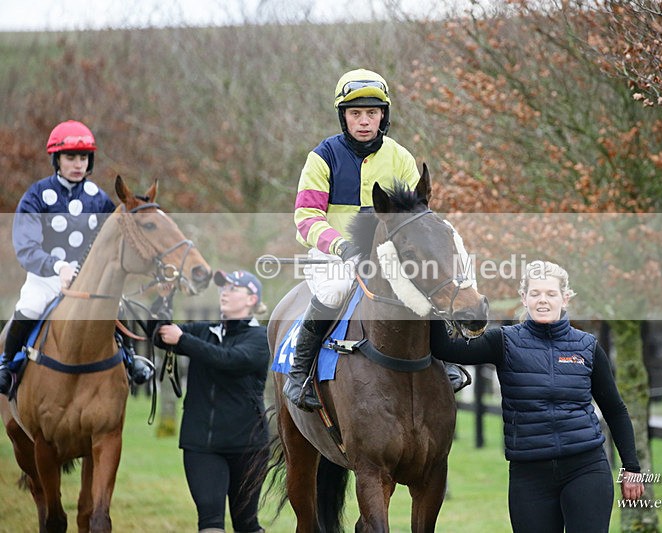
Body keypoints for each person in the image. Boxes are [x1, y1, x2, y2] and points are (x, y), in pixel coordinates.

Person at [285, 67, 467, 411]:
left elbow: (417, 215)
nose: (364, 121)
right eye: (356, 113)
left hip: (388, 254)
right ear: (344, 117)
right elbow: (306, 218)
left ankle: (444, 361)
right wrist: (342, 247)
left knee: (424, 282)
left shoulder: (399, 156)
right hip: (337, 253)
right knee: (334, 290)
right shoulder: (321, 157)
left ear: (383, 115)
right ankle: (300, 373)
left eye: (372, 112)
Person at [430, 260, 645, 533]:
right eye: (535, 294)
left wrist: (631, 467)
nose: (543, 300)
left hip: (586, 468)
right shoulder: (504, 342)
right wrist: (429, 301)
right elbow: (444, 348)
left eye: (551, 294)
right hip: (529, 476)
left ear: (565, 298)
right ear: (524, 298)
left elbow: (615, 409)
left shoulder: (587, 347)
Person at [0, 120, 151, 396]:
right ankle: (7, 364)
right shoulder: (35, 196)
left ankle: (130, 360)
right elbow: (26, 247)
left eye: (83, 157)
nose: (78, 163)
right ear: (57, 159)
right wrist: (58, 267)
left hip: (88, 282)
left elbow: (116, 240)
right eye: (70, 157)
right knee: (30, 307)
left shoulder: (99, 199)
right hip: (45, 278)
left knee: (116, 305)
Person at [153, 269, 269, 533]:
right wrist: (162, 300)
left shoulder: (260, 339)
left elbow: (228, 361)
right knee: (210, 523)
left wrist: (183, 340)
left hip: (248, 448)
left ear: (252, 299)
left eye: (232, 288)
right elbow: (158, 334)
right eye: (222, 288)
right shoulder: (203, 331)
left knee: (247, 525)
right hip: (202, 446)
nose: (224, 292)